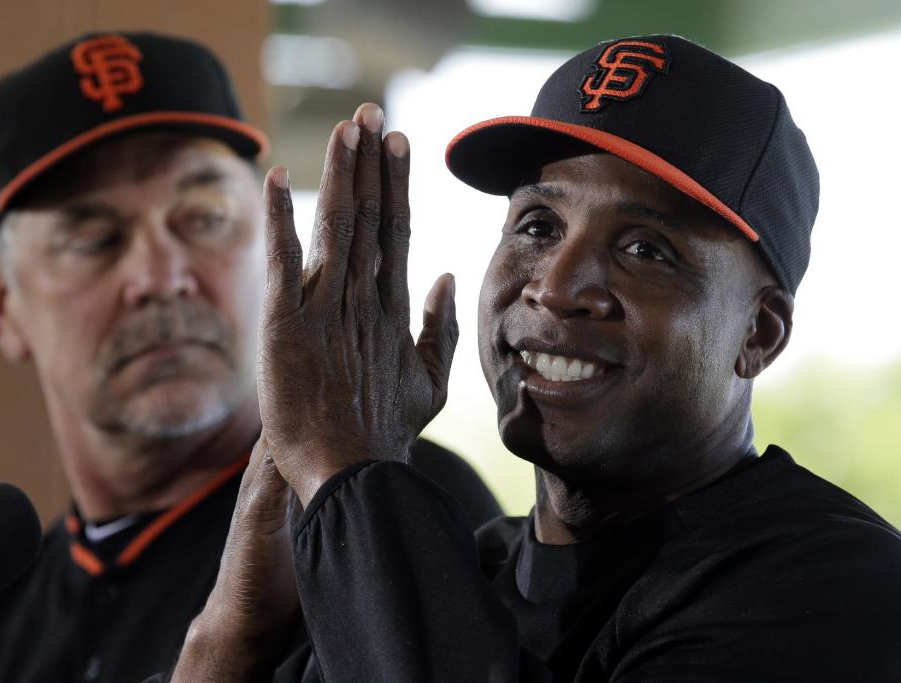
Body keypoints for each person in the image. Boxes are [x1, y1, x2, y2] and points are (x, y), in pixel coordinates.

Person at [167, 34, 901, 681]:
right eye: (538, 225)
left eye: (646, 249)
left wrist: (344, 461)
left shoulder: (838, 584)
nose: (555, 286)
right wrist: (234, 630)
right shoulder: (468, 568)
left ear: (759, 334)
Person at [0, 32, 500, 683]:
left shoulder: (379, 506)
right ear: (1, 302)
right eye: (94, 237)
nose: (161, 274)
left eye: (204, 216)